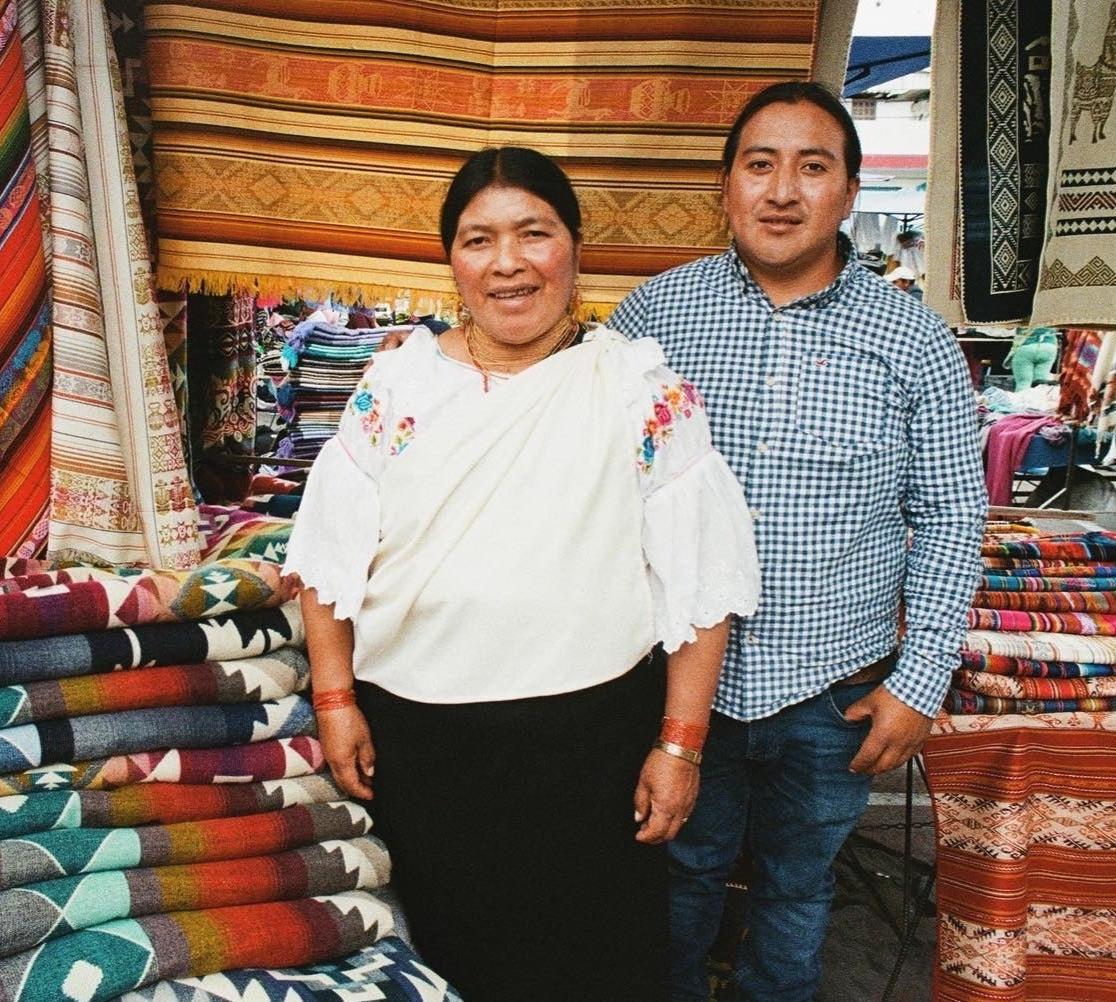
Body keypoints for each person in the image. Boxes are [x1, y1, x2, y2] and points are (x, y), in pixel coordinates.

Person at [283, 146, 761, 1002]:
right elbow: (327, 557)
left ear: (573, 247)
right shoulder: (397, 384)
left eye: (533, 233)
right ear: (452, 260)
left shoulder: (636, 387)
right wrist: (334, 698)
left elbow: (703, 583)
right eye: (479, 240)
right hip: (420, 751)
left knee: (587, 970)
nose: (508, 263)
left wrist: (679, 744)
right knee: (440, 965)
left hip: (589, 754)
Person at [609, 81, 987, 1002]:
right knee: (675, 879)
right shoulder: (650, 320)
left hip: (836, 690)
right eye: (760, 165)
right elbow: (594, 490)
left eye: (812, 168)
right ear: (726, 186)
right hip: (675, 687)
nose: (784, 191)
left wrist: (919, 679)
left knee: (795, 888)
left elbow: (951, 514)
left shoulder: (916, 341)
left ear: (850, 193)